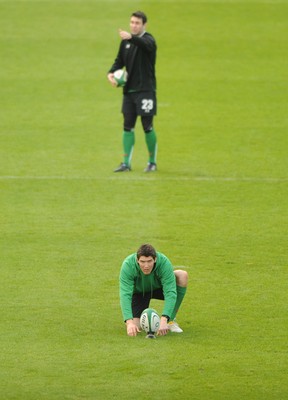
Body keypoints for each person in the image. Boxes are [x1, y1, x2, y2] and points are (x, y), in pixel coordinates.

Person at [107, 11, 158, 173]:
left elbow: (145, 45)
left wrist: (131, 37)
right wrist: (111, 73)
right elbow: (119, 61)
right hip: (129, 91)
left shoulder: (149, 40)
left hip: (146, 91)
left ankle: (152, 162)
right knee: (127, 126)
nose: (134, 25)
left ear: (144, 25)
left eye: (137, 23)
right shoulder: (125, 42)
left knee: (147, 126)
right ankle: (125, 164)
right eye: (132, 22)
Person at [119, 243, 188, 337]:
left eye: (149, 261)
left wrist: (164, 319)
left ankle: (170, 320)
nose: (146, 266)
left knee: (182, 275)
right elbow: (125, 294)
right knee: (137, 327)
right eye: (142, 262)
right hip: (139, 293)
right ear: (137, 260)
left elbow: (170, 292)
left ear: (155, 259)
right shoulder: (128, 265)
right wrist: (129, 322)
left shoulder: (164, 262)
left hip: (159, 288)